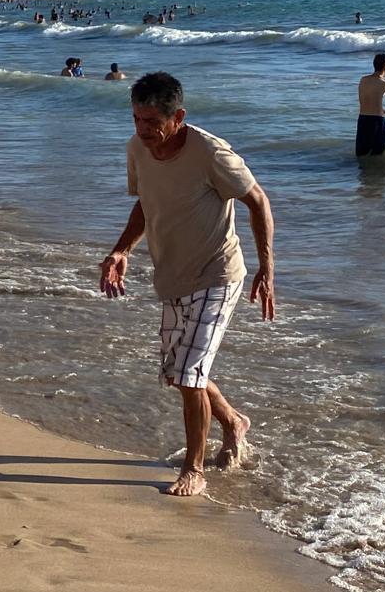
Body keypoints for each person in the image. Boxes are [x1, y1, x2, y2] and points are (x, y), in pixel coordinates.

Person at [99, 72, 275, 498]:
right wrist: (121, 250)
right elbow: (146, 202)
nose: (143, 130)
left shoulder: (211, 153)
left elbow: (259, 202)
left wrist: (266, 268)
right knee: (178, 374)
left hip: (218, 274)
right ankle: (233, 421)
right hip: (172, 275)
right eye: (136, 119)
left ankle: (194, 469)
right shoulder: (137, 149)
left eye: (151, 121)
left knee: (191, 375)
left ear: (178, 116)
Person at [356, 53, 385, 157]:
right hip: (377, 121)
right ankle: (377, 172)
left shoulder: (363, 80)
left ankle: (362, 172)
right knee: (377, 153)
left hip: (363, 119)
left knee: (362, 152)